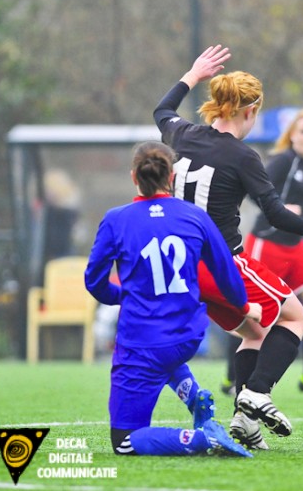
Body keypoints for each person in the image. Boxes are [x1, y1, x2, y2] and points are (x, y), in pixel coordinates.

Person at [153, 45, 303, 450]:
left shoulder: (181, 133)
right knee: (295, 317)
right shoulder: (242, 155)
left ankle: (243, 421)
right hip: (222, 263)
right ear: (250, 111)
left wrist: (192, 74)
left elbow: (161, 111)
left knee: (253, 331)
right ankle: (256, 393)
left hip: (180, 265)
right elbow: (273, 212)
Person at [85, 140, 260, 458]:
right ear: (173, 176)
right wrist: (247, 307)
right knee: (165, 357)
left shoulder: (116, 219)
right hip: (188, 336)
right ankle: (195, 398)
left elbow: (94, 282)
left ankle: (201, 439)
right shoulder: (195, 216)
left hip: (142, 341)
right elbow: (227, 275)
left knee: (125, 442)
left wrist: (122, 296)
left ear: (133, 176)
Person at [243, 108, 303, 397]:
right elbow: (254, 192)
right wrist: (281, 209)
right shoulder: (283, 161)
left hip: (297, 247)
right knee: (253, 314)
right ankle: (234, 376)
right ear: (292, 136)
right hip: (267, 243)